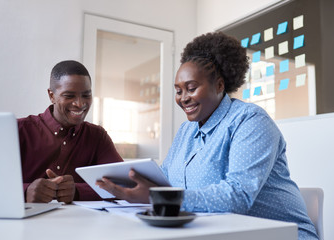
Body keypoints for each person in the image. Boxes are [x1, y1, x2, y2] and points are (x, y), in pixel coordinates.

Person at [96, 32, 319, 239]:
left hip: (279, 234)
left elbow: (237, 196)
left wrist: (159, 197)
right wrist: (130, 184)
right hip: (217, 233)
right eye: (178, 90)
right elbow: (164, 179)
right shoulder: (186, 131)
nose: (183, 98)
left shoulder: (250, 120)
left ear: (220, 85)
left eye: (191, 88)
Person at [18, 60, 123, 204]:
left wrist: (77, 191)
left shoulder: (97, 136)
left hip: (80, 224)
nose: (79, 104)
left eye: (86, 95)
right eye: (69, 96)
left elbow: (121, 184)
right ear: (51, 95)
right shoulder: (18, 130)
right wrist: (25, 191)